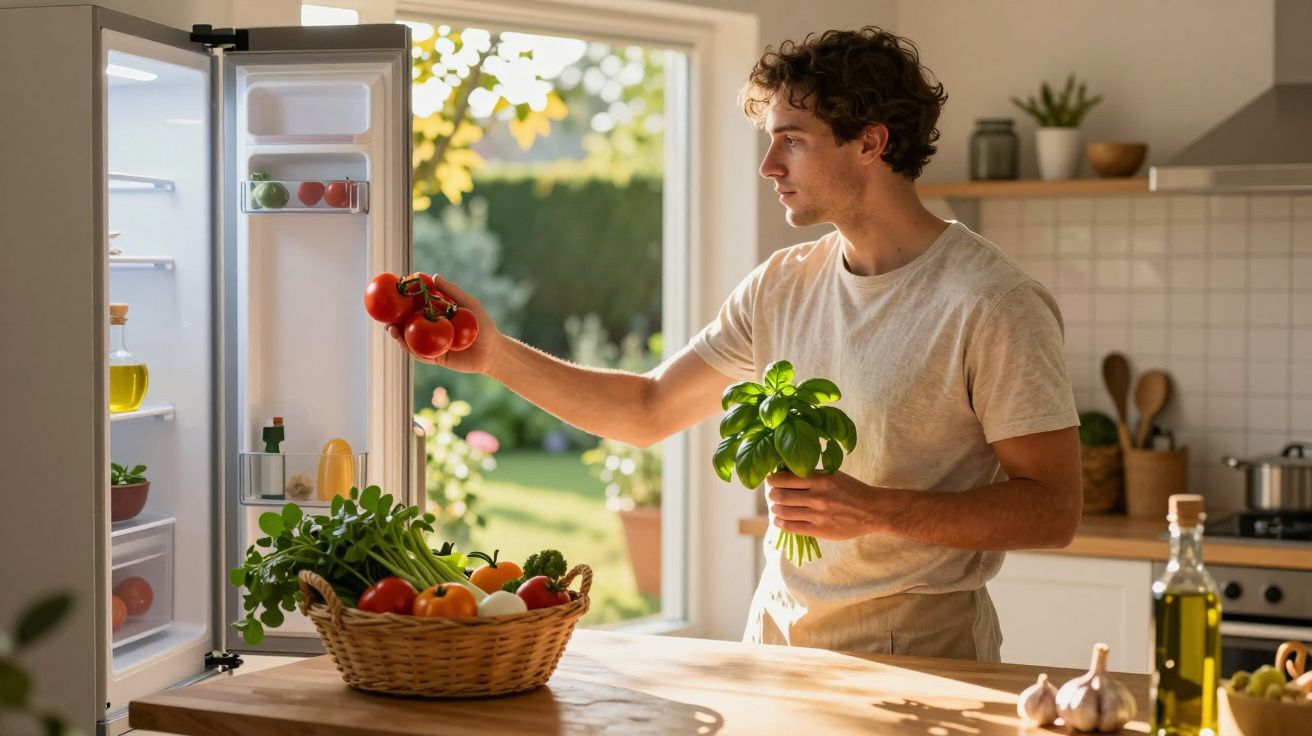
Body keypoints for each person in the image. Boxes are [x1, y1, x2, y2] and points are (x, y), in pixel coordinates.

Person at [391, 26, 1081, 662]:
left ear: (870, 143)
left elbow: (1054, 508)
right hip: (776, 641)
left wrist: (874, 510)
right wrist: (495, 353)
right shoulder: (784, 283)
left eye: (793, 139)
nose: (769, 166)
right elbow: (648, 408)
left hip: (921, 659)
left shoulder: (991, 301)